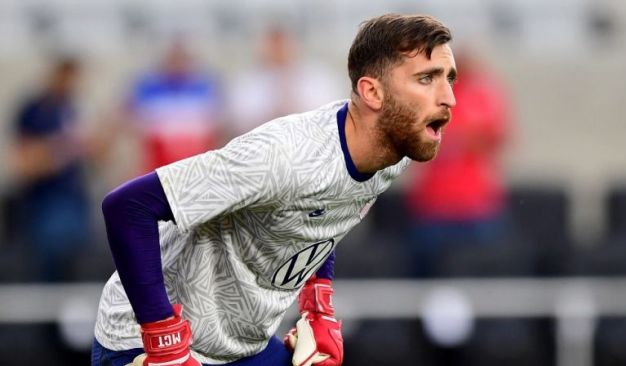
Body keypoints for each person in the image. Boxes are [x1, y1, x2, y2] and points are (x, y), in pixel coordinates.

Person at [92, 13, 457, 366]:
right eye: (426, 79)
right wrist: (164, 340)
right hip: (146, 342)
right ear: (372, 92)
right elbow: (127, 207)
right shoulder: (280, 156)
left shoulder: (394, 152)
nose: (449, 99)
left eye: (448, 78)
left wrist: (318, 304)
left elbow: (326, 211)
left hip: (240, 344)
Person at [403, 47, 512, 277]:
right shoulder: (425, 96)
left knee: (485, 274)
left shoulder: (484, 94)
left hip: (476, 206)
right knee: (426, 276)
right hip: (433, 206)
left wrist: (455, 140)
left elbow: (494, 139)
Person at [9, 57, 92, 282]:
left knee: (77, 262)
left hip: (75, 197)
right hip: (47, 201)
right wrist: (62, 149)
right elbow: (25, 162)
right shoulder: (35, 110)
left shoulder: (71, 109)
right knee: (50, 264)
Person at [124, 40, 227, 173]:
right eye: (174, 59)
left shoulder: (206, 86)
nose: (178, 64)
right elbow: (129, 115)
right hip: (158, 162)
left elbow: (219, 121)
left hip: (197, 162)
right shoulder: (148, 87)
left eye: (181, 59)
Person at [228, 26, 341, 136]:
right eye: (273, 44)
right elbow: (240, 121)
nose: (279, 49)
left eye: (283, 43)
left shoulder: (317, 77)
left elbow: (329, 115)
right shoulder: (248, 81)